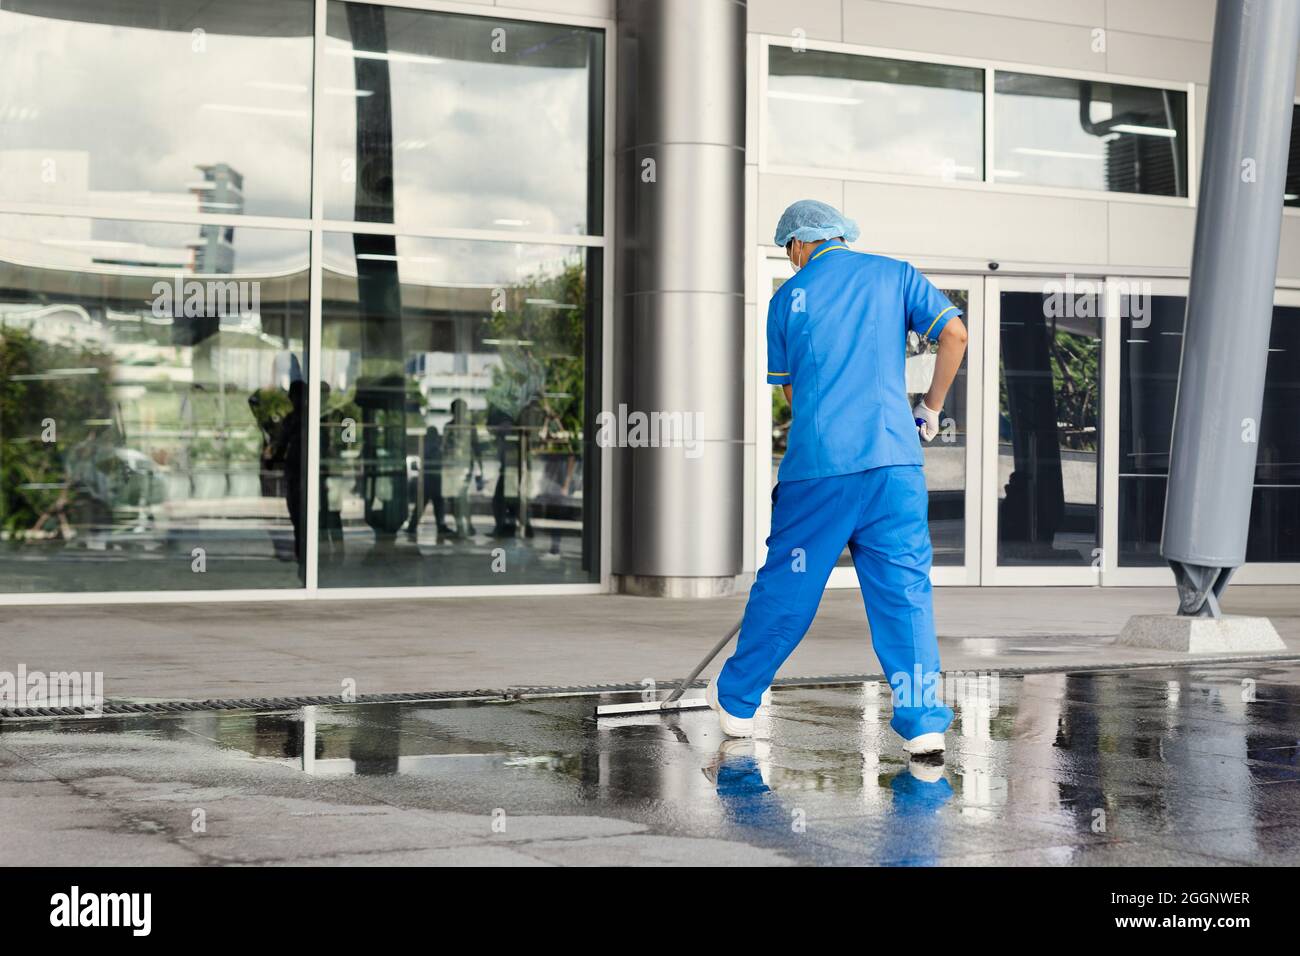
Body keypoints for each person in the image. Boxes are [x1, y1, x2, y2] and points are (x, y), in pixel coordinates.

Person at [707, 199, 969, 756]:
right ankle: (923, 722)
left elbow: (795, 396)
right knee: (905, 593)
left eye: (788, 251)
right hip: (894, 467)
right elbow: (956, 337)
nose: (791, 261)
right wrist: (929, 406)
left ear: (800, 243)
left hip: (819, 472)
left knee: (789, 587)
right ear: (839, 236)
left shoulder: (785, 301)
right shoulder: (895, 275)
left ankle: (737, 702)